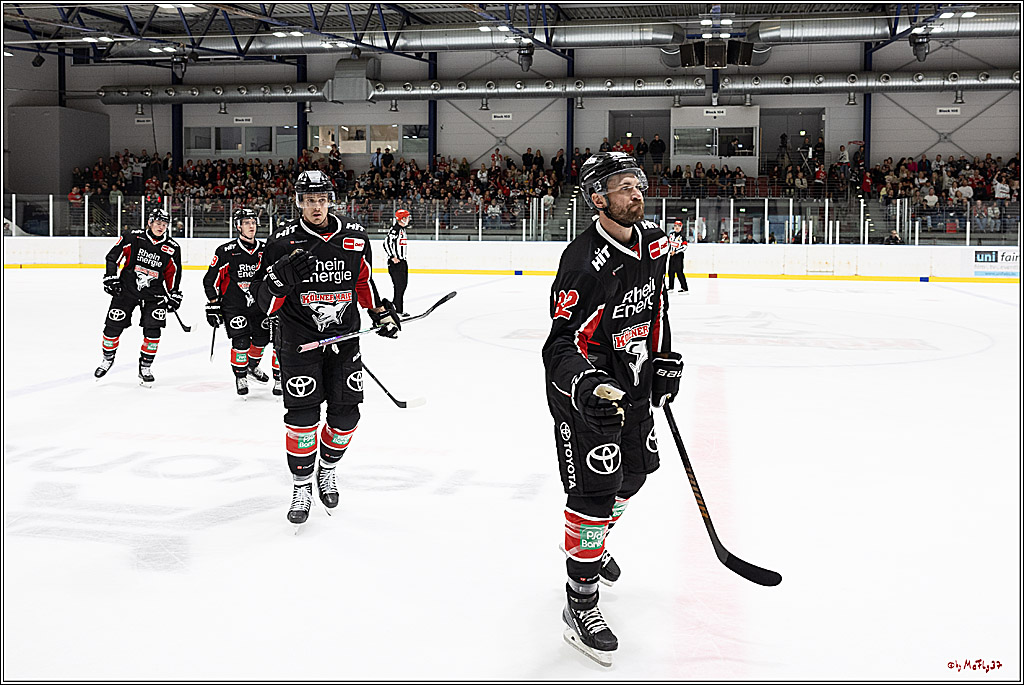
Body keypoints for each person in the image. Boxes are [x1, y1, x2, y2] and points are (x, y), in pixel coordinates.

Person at [541, 152, 682, 667]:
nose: (636, 194)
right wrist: (588, 385)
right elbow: (559, 346)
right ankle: (580, 606)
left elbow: (656, 308)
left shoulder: (652, 242)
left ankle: (592, 546)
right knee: (595, 494)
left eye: (638, 185)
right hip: (588, 397)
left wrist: (664, 358)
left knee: (637, 474)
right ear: (598, 199)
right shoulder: (583, 264)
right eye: (624, 188)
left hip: (635, 382)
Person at [252, 170, 402, 526]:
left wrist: (378, 312)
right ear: (299, 201)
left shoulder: (354, 238)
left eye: (321, 200)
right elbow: (265, 306)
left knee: (346, 416)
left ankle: (327, 470)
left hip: (344, 340)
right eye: (308, 200)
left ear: (330, 200)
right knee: (303, 419)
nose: (316, 207)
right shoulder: (279, 243)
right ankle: (301, 485)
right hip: (298, 344)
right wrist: (276, 282)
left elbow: (362, 281)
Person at [94, 207, 183, 386]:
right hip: (126, 290)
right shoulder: (132, 237)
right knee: (112, 327)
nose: (161, 227)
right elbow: (112, 258)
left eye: (164, 224)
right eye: (158, 223)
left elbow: (173, 273)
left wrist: (174, 293)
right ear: (150, 222)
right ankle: (107, 358)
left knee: (153, 331)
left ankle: (145, 367)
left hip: (154, 295)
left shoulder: (172, 247)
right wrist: (111, 277)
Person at [203, 208, 278, 397]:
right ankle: (241, 375)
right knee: (241, 342)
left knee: (261, 340)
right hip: (234, 306)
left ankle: (252, 366)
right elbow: (209, 279)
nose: (251, 226)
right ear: (238, 226)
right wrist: (213, 303)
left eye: (253, 222)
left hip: (259, 305)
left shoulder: (264, 250)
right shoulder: (226, 251)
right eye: (246, 223)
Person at [384, 208, 411, 317]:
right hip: (396, 263)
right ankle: (397, 310)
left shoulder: (402, 230)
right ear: (402, 219)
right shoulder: (395, 230)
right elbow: (386, 243)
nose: (409, 219)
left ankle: (396, 307)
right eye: (407, 217)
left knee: (403, 285)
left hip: (402, 262)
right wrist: (392, 257)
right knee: (399, 286)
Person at [667, 220, 688, 294]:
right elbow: (669, 244)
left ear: (681, 227)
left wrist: (675, 251)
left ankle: (684, 288)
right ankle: (671, 287)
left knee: (679, 272)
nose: (677, 227)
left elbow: (684, 247)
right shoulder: (671, 234)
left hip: (679, 256)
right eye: (675, 226)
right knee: (670, 271)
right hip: (671, 255)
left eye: (678, 226)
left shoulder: (682, 236)